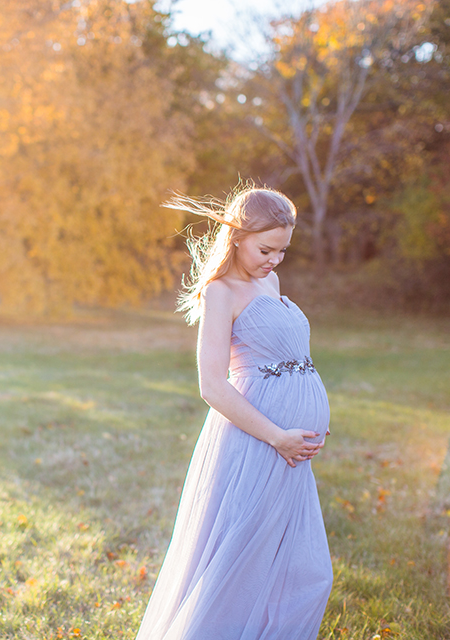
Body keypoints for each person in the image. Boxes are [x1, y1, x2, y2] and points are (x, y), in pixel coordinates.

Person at [135, 187, 333, 640]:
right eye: (266, 249)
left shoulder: (270, 282)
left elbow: (286, 356)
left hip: (289, 447)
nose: (275, 260)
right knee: (239, 567)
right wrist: (278, 435)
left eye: (283, 251)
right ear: (237, 236)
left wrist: (308, 410)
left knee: (301, 570)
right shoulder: (221, 292)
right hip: (257, 442)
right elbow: (212, 385)